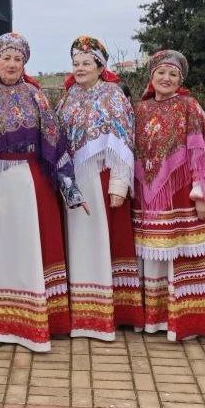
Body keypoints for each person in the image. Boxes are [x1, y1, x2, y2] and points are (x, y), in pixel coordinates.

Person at [0, 32, 87, 352]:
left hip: (29, 184)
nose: (12, 64)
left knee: (25, 249)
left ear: (24, 63)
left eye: (18, 59)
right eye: (6, 58)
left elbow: (56, 146)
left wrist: (71, 191)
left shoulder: (37, 97)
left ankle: (29, 323)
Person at [132, 50, 205, 341]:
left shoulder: (189, 107)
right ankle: (155, 319)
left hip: (181, 195)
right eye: (161, 73)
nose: (166, 79)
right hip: (148, 199)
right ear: (151, 76)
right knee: (154, 257)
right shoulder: (139, 109)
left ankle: (189, 321)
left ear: (181, 80)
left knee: (184, 255)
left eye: (173, 74)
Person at [56, 36, 143, 340]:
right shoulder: (67, 97)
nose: (80, 68)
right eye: (76, 63)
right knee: (78, 241)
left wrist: (119, 184)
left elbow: (123, 142)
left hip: (102, 178)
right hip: (75, 181)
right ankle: (80, 310)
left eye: (86, 63)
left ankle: (112, 312)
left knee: (104, 242)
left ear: (99, 65)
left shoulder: (114, 96)